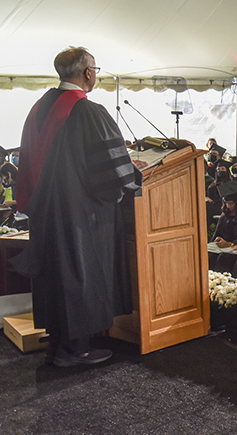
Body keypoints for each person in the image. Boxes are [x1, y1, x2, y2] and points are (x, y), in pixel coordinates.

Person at [12, 47, 142, 366]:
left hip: (45, 211)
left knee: (56, 276)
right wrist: (134, 175)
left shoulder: (39, 107)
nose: (95, 75)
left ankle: (58, 345)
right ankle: (76, 350)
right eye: (95, 69)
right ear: (87, 73)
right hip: (78, 213)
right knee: (78, 274)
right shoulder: (86, 110)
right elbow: (111, 167)